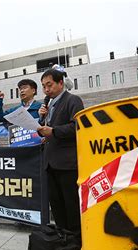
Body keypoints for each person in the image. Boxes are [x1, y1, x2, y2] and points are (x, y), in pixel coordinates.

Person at [37, 68, 84, 240]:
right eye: (44, 87)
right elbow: (47, 130)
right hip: (50, 162)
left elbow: (77, 126)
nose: (46, 90)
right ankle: (62, 236)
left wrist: (53, 131)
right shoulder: (48, 105)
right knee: (56, 204)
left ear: (60, 83)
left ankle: (75, 239)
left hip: (67, 163)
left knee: (70, 203)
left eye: (49, 85)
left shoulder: (73, 100)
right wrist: (42, 122)